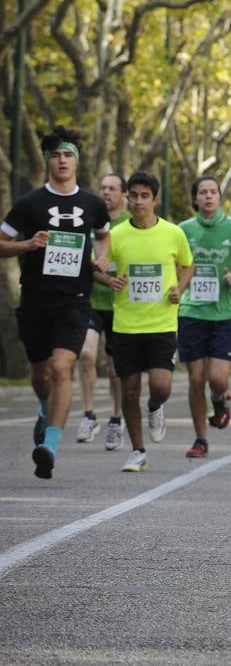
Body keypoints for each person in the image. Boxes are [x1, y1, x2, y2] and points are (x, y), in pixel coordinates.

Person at [0, 127, 111, 479]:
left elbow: (104, 235)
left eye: (68, 155)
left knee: (62, 369)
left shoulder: (93, 203)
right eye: (56, 155)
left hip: (75, 300)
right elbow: (1, 243)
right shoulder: (29, 203)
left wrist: (102, 260)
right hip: (35, 299)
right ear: (48, 161)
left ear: (77, 160)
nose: (62, 161)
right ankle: (45, 407)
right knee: (41, 373)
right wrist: (28, 245)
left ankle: (49, 445)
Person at [106, 171, 194, 473]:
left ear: (155, 199)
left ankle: (156, 406)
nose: (138, 200)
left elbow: (188, 265)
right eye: (133, 195)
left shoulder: (173, 233)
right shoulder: (116, 234)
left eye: (145, 196)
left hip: (162, 324)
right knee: (129, 390)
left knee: (161, 385)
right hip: (126, 325)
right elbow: (98, 266)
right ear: (127, 197)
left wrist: (178, 289)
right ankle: (138, 450)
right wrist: (109, 279)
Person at [178, 176, 231, 458]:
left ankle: (220, 400)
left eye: (213, 192)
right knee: (196, 379)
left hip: (225, 312)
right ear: (195, 198)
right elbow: (176, 262)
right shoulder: (183, 229)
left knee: (217, 378)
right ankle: (201, 438)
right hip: (192, 310)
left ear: (220, 197)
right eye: (202, 192)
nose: (208, 196)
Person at [89, 172, 131, 450]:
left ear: (123, 195)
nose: (105, 193)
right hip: (91, 300)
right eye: (102, 187)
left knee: (115, 368)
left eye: (111, 188)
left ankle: (116, 418)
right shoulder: (90, 222)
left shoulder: (131, 225)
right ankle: (88, 414)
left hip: (121, 304)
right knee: (84, 354)